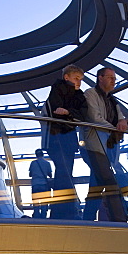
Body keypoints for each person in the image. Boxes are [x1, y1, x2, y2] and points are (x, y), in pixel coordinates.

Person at [82, 67, 128, 222]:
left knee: (96, 186)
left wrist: (122, 122)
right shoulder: (90, 94)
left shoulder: (113, 101)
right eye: (110, 78)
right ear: (100, 78)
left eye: (114, 78)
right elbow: (94, 118)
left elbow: (121, 119)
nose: (113, 81)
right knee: (110, 181)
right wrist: (115, 129)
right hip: (93, 146)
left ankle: (86, 220)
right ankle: (120, 220)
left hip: (107, 149)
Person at [44, 64, 87, 219]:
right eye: (76, 78)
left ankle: (60, 210)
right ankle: (66, 210)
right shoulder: (60, 89)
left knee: (64, 171)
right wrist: (72, 116)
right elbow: (58, 111)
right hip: (60, 137)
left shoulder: (77, 95)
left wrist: (68, 113)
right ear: (66, 77)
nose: (79, 82)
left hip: (63, 138)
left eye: (81, 79)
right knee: (64, 171)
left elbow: (82, 115)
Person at [29, 150, 53, 218]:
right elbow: (50, 175)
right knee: (44, 204)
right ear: (43, 154)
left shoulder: (33, 163)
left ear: (36, 155)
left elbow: (30, 174)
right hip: (44, 184)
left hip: (35, 184)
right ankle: (43, 218)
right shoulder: (47, 163)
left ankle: (36, 218)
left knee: (36, 203)